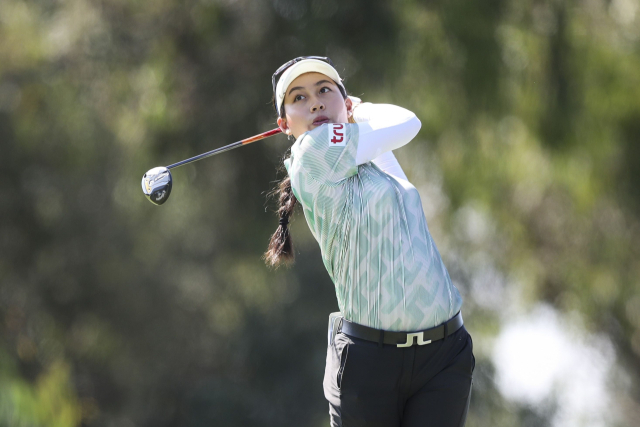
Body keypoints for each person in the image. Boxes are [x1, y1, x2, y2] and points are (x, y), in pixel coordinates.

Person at [264, 57, 475, 427]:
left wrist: (351, 113)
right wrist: (359, 108)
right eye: (299, 97)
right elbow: (408, 122)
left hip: (443, 356)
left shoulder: (368, 156)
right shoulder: (313, 152)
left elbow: (390, 136)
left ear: (342, 103)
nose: (314, 102)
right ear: (285, 125)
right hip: (371, 366)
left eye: (324, 90)